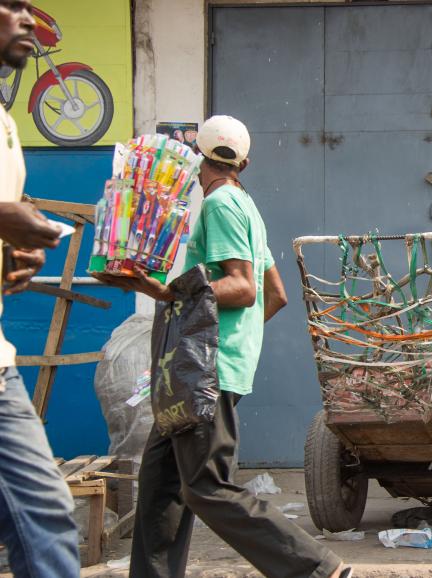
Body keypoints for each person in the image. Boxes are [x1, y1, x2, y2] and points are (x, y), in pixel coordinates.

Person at [98, 116, 350, 578]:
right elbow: (277, 294)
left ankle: (316, 567)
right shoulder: (246, 206)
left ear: (198, 158)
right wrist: (239, 339)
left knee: (205, 485)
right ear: (243, 163)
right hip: (194, 370)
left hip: (202, 372)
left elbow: (244, 288)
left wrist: (167, 292)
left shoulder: (220, 206)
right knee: (160, 487)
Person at [0, 1, 81, 576]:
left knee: (46, 513)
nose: (26, 19)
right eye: (8, 6)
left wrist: (17, 252)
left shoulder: (4, 125)